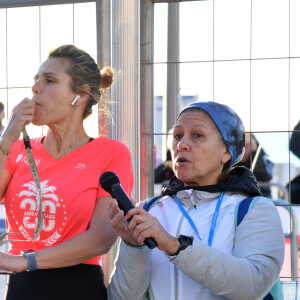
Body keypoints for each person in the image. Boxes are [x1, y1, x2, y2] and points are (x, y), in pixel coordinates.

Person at [108, 101, 284, 300]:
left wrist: (175, 246)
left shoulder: (252, 210)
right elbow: (120, 298)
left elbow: (253, 285)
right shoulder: (150, 210)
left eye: (197, 135)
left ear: (227, 151)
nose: (181, 144)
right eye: (177, 136)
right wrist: (133, 246)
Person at [0, 44, 133, 300]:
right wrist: (7, 137)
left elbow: (100, 239)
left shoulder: (111, 153)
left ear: (80, 95)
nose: (36, 88)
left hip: (77, 287)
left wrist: (26, 261)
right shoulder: (15, 150)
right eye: (36, 80)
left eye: (49, 80)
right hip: (21, 289)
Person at [237, 133, 274, 197]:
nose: (243, 151)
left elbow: (264, 176)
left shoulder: (267, 163)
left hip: (260, 200)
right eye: (239, 146)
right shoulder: (232, 165)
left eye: (246, 146)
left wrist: (255, 153)